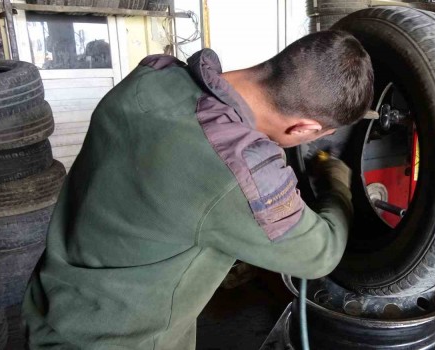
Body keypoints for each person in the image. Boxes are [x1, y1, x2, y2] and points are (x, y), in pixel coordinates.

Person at [22, 30, 374, 349]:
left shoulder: (152, 77)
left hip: (51, 308)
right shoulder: (235, 168)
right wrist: (336, 184)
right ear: (304, 128)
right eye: (318, 135)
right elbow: (320, 253)